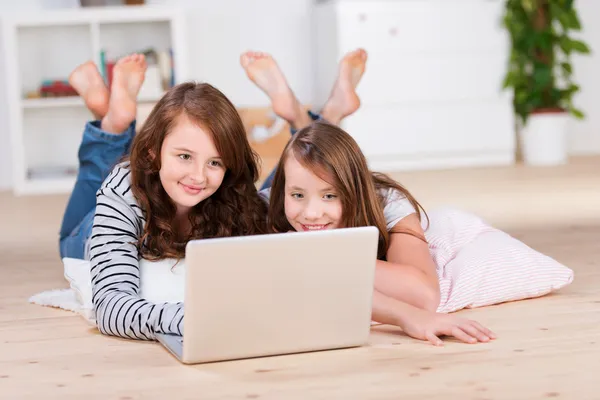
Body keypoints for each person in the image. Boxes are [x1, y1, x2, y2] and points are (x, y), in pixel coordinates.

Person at [241, 49, 496, 346]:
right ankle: (316, 117)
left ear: (353, 192)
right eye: (297, 195)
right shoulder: (272, 203)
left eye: (330, 196)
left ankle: (312, 117)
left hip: (353, 184)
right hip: (281, 187)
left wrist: (314, 251)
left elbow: (424, 295)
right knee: (302, 160)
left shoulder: (388, 202)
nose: (311, 214)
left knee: (316, 163)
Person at [59, 53, 268, 340]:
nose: (198, 176)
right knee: (94, 188)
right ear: (152, 151)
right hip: (87, 232)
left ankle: (111, 118)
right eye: (185, 156)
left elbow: (286, 202)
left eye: (215, 162)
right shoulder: (122, 194)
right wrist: (194, 318)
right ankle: (113, 126)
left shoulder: (229, 191)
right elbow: (110, 309)